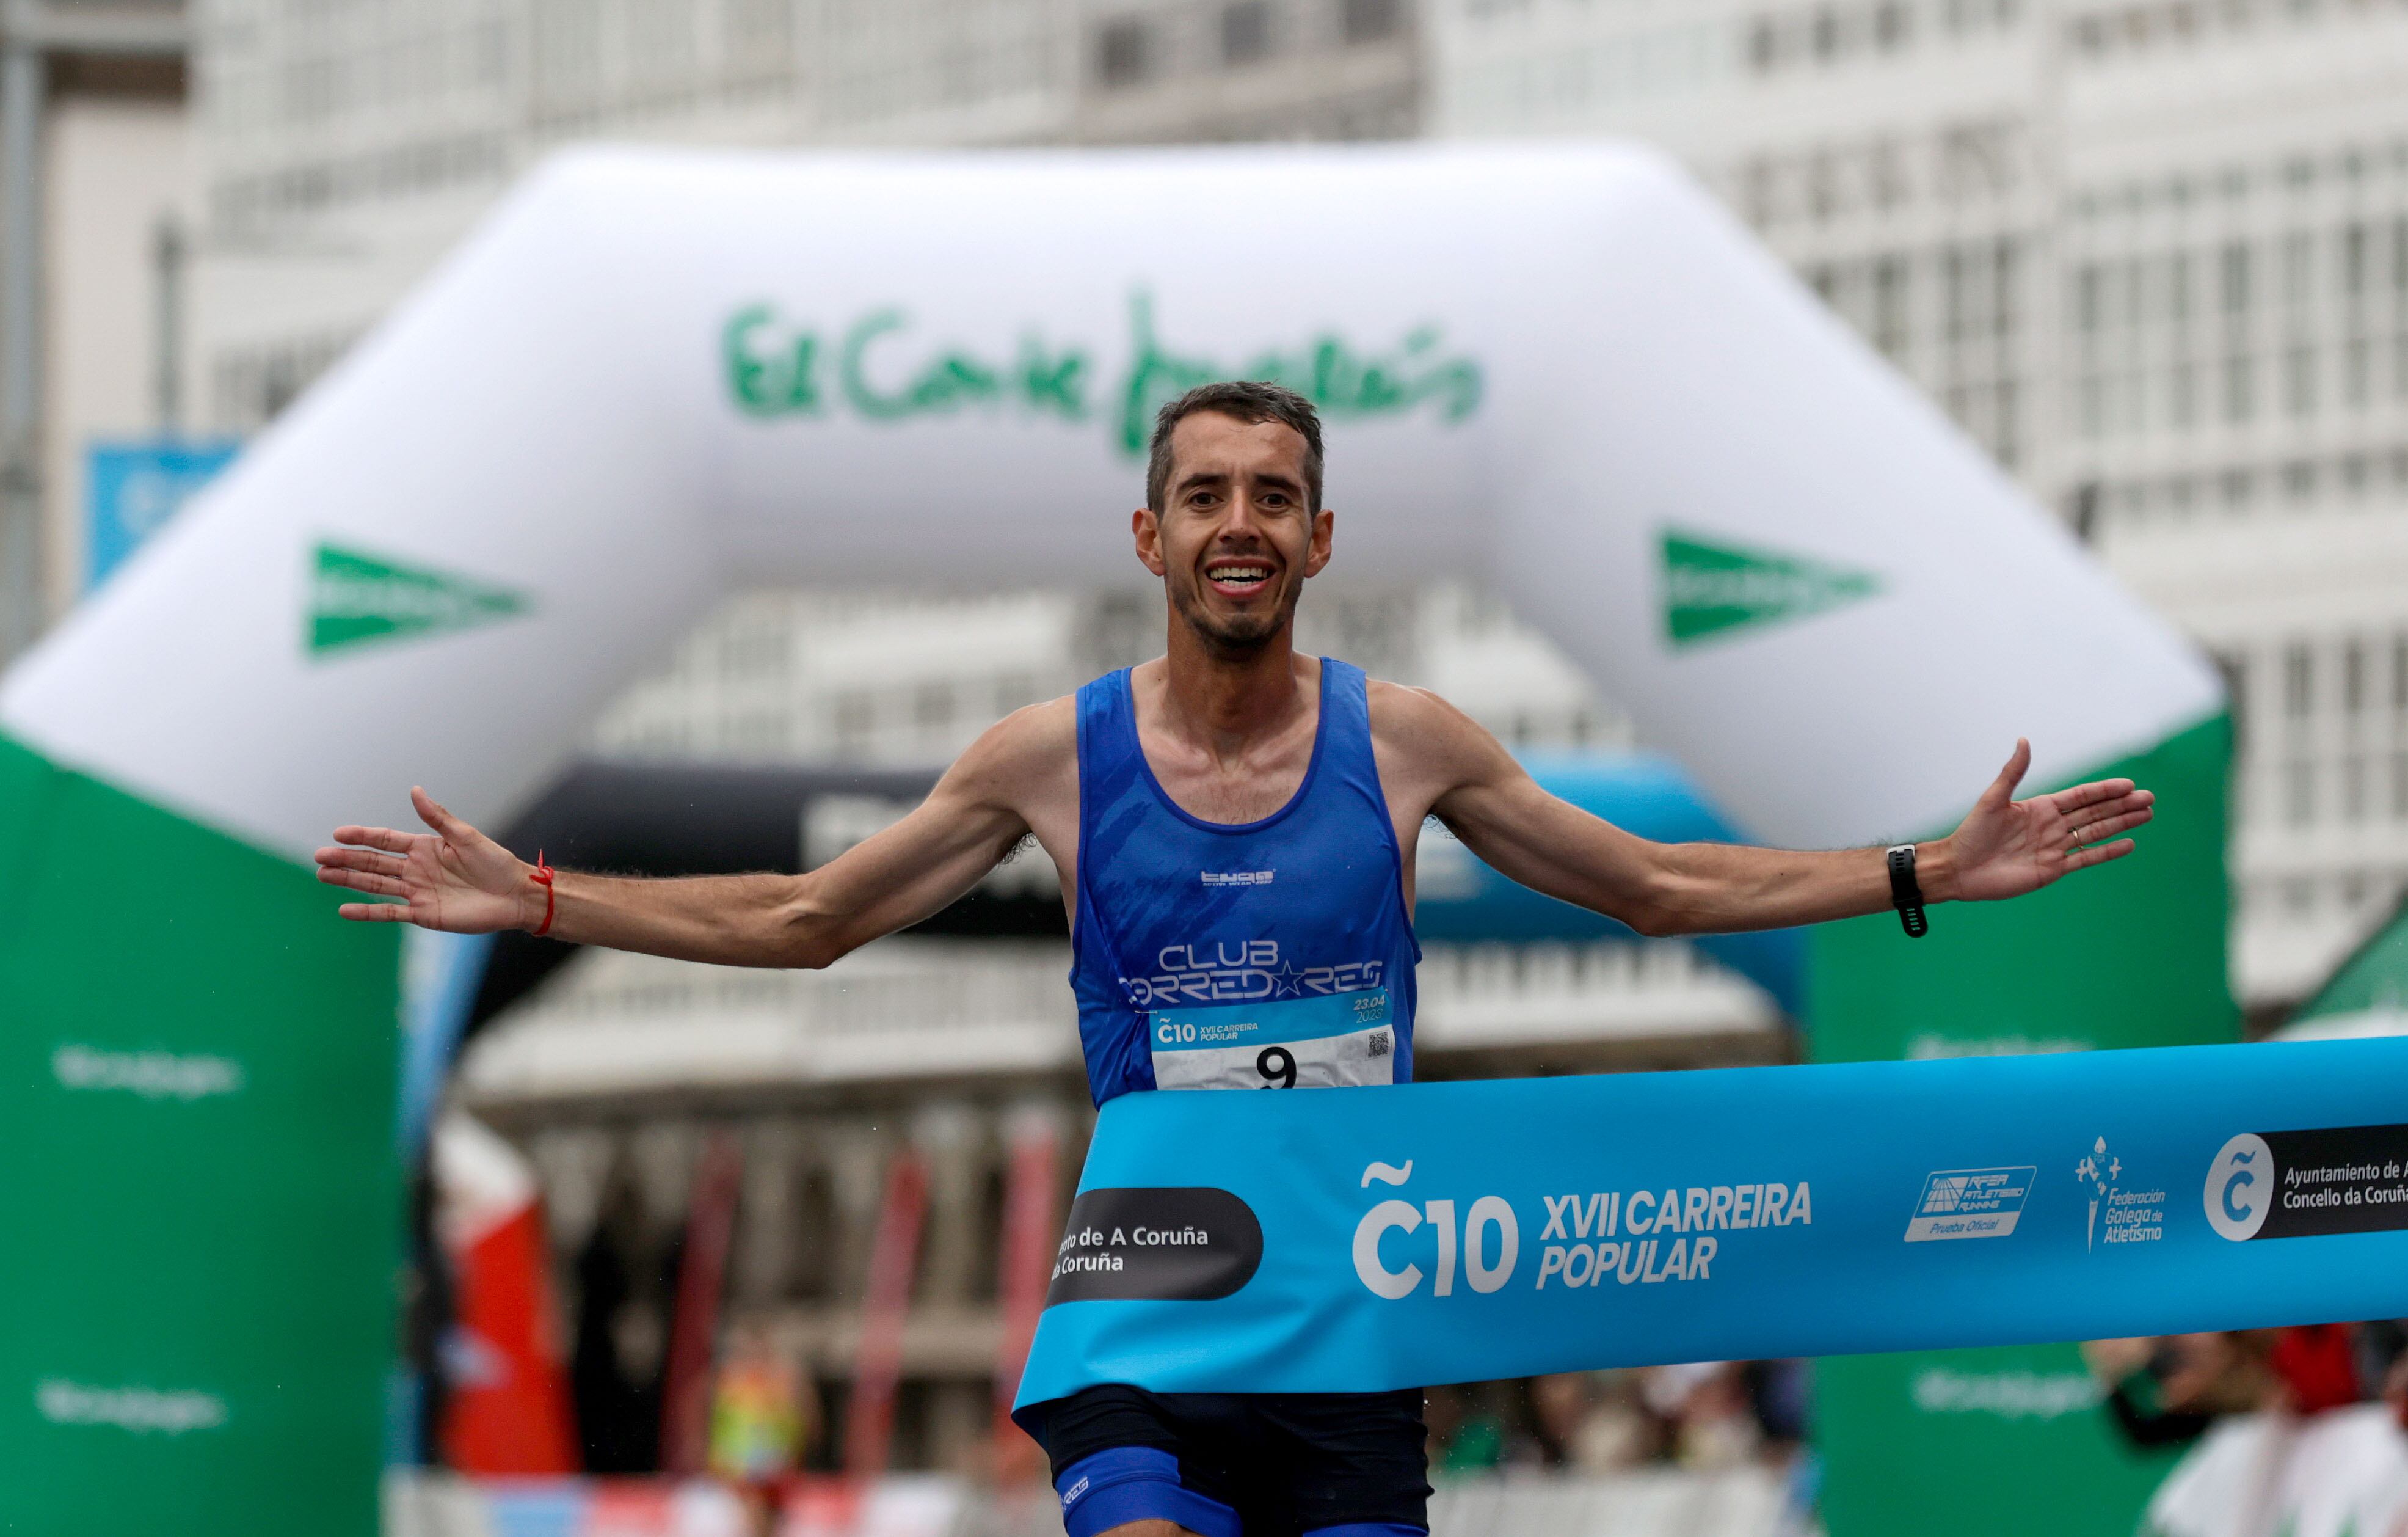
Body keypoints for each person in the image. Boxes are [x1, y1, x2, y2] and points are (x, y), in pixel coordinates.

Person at [317, 380, 2158, 1537]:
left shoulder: (1415, 741)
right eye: (1207, 495)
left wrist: (1924, 865)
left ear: (1321, 537)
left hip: (1355, 1314)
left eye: (1274, 496)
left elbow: (1660, 889)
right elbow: (806, 924)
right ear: (1152, 535)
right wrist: (543, 897)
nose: (1241, 526)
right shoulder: (1048, 758)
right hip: (1151, 1297)